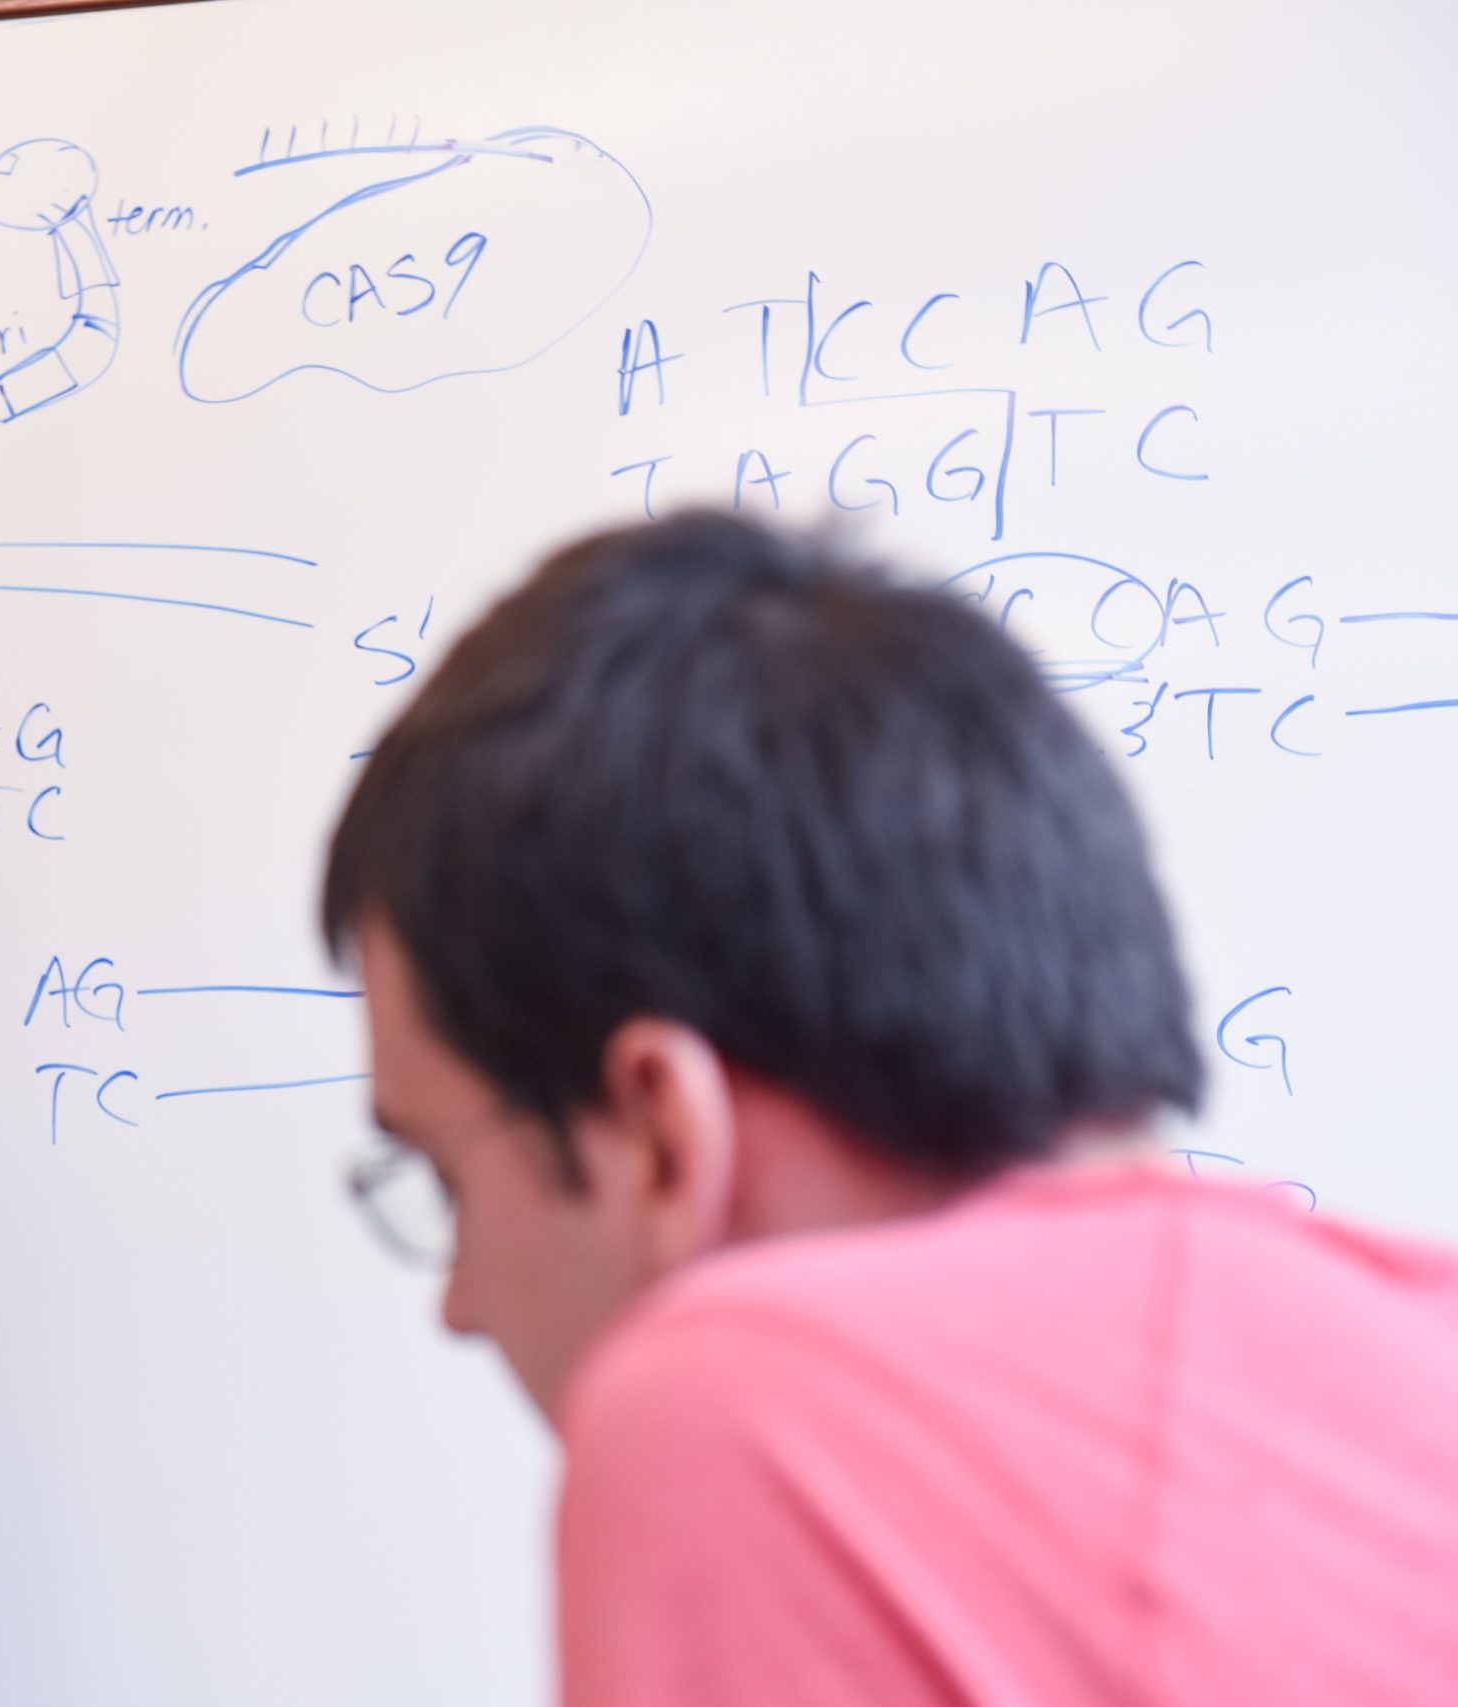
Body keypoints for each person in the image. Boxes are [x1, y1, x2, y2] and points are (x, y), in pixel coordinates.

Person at [324, 511, 1458, 1705]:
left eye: (448, 1182)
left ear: (661, 1132)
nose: (457, 1305)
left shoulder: (726, 1408)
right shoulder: (1418, 1332)